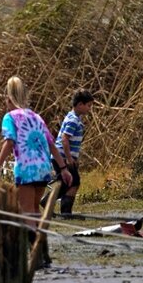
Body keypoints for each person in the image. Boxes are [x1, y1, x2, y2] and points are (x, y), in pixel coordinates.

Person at [0, 77, 72, 265]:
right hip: (44, 169)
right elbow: (51, 143)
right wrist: (63, 168)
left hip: (26, 169)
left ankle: (38, 256)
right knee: (35, 211)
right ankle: (41, 253)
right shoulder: (36, 116)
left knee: (26, 213)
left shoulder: (9, 117)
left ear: (9, 98)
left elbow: (9, 140)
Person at [43, 89, 94, 217]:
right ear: (80, 104)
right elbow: (65, 139)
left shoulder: (75, 118)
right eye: (88, 105)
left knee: (72, 182)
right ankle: (49, 202)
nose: (90, 109)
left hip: (65, 156)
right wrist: (69, 158)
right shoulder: (73, 120)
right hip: (62, 157)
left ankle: (65, 212)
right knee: (72, 181)